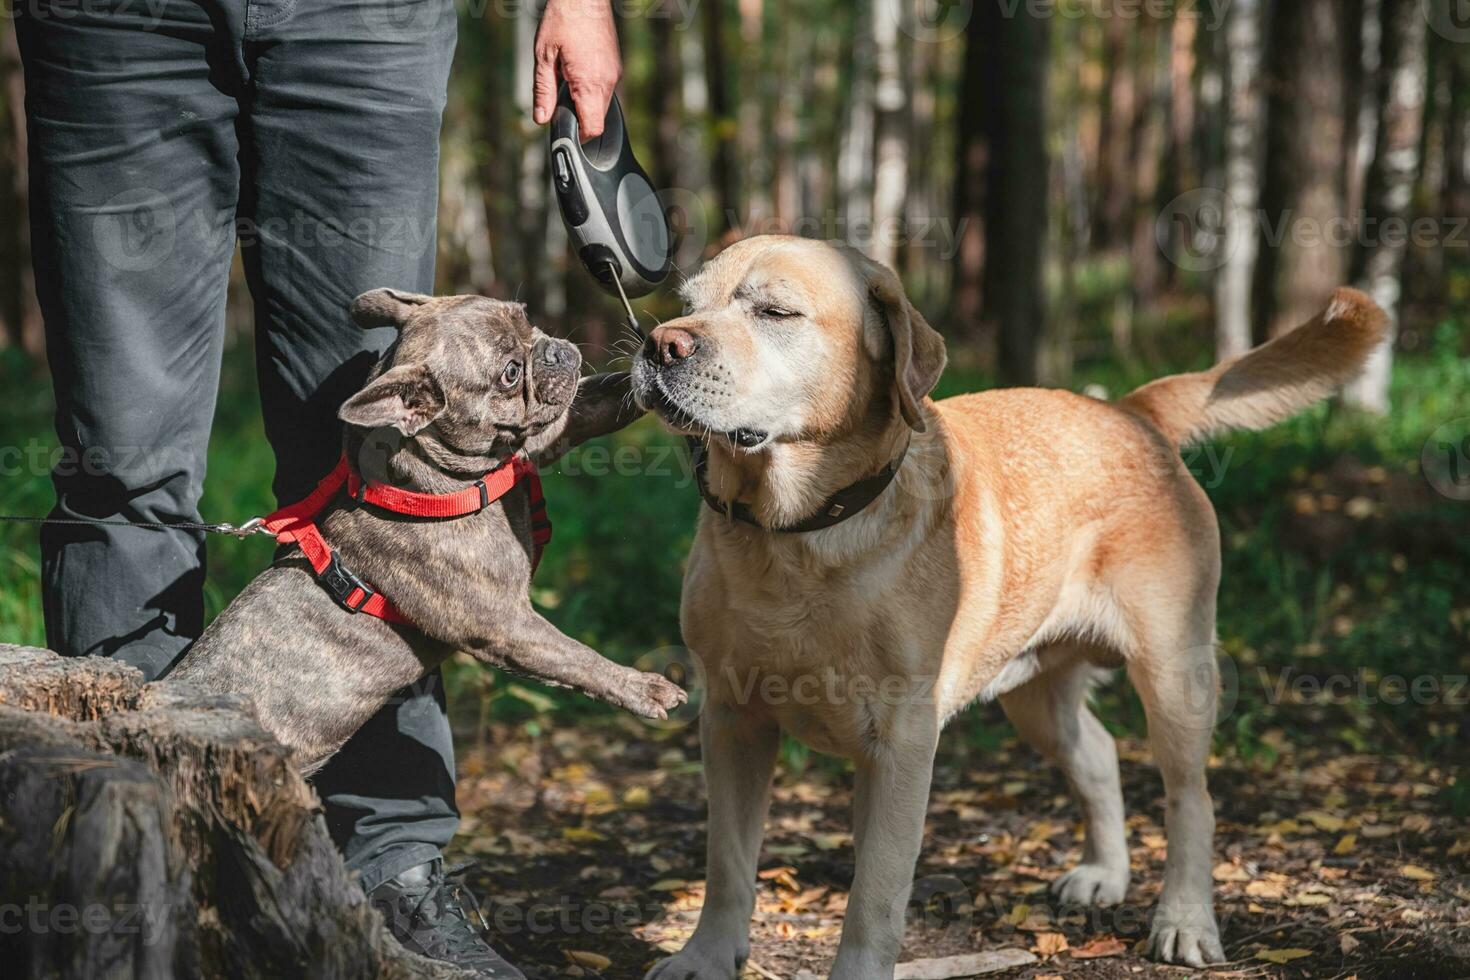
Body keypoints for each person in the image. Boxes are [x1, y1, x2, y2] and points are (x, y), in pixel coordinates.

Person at [14, 0, 621, 973]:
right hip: (114, 25)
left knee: (381, 448)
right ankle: (117, 863)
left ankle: (392, 867)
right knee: (120, 466)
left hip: (363, 22)